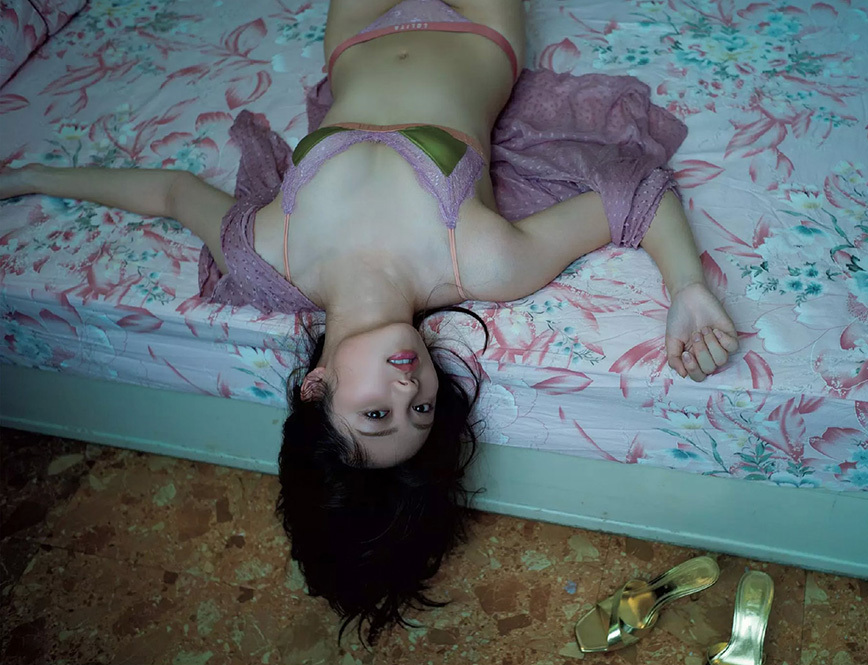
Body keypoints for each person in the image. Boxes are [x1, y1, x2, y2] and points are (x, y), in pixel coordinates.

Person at [0, 0, 739, 644]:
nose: (409, 388)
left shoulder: (266, 254)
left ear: (316, 387)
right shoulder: (484, 261)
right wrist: (687, 288)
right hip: (478, 24)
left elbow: (169, 192)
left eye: (377, 413)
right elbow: (632, 197)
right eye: (421, 411)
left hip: (357, 31)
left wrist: (27, 177)